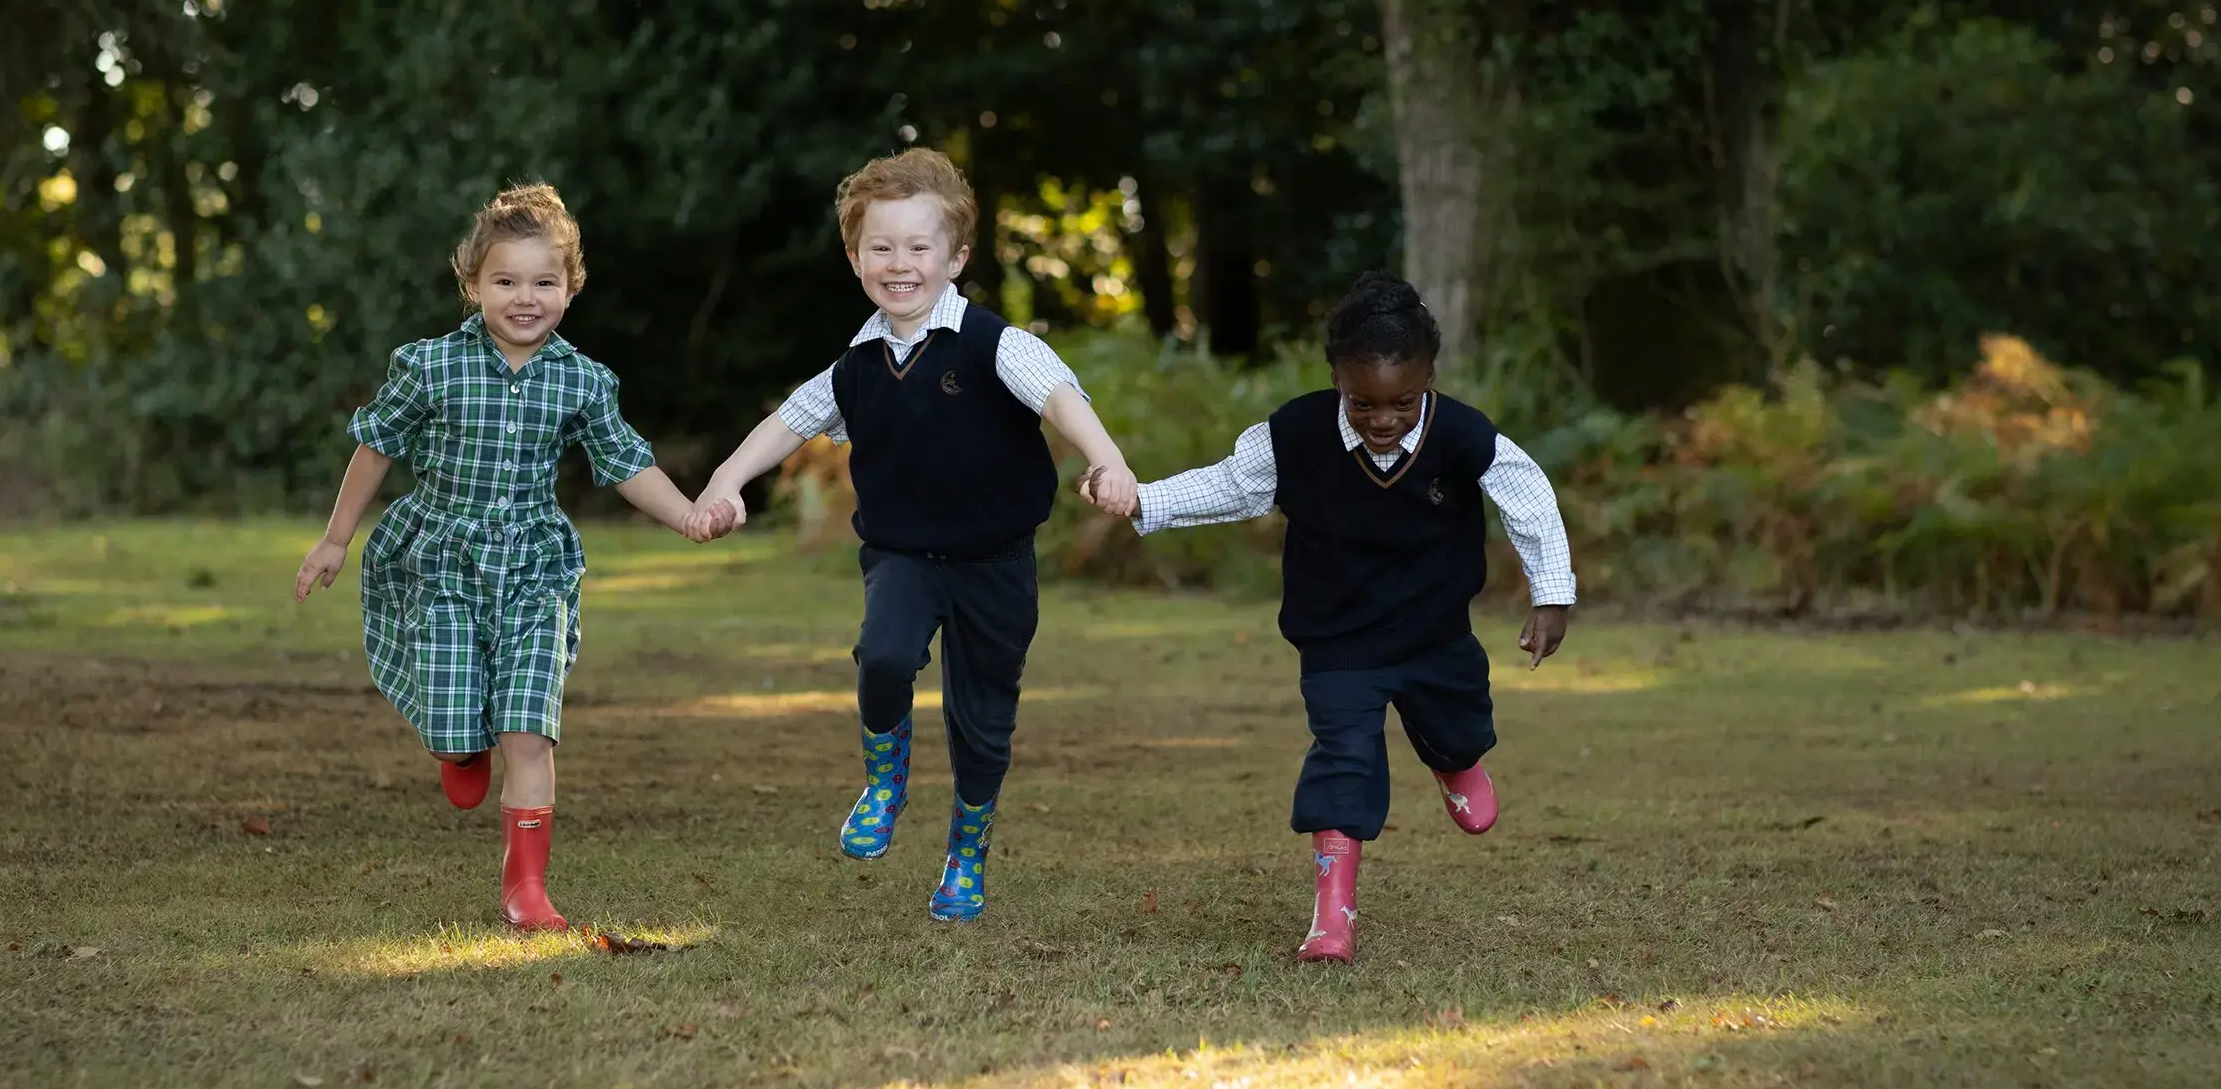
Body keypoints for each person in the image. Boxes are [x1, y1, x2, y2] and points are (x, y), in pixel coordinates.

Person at [685, 148, 1136, 922]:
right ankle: (886, 777)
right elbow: (786, 422)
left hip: (995, 561)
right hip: (902, 553)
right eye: (880, 247)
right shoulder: (854, 365)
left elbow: (1061, 399)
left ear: (955, 257)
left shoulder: (996, 344)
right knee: (885, 656)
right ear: (855, 256)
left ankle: (967, 848)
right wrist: (726, 480)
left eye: (918, 247)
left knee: (982, 720)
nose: (900, 264)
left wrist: (1108, 460)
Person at [1109, 272, 1575, 963]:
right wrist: (1144, 501)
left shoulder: (1463, 434)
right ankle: (1333, 915)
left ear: (1430, 378)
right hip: (1338, 638)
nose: (1384, 419)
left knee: (1457, 722)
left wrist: (1552, 593)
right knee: (1344, 758)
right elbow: (1228, 486)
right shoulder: (1292, 434)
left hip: (1435, 631)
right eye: (1363, 402)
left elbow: (1528, 498)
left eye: (1403, 403)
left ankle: (1455, 759)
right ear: (1335, 378)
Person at [295, 184, 700, 932]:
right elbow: (377, 445)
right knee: (458, 723)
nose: (525, 297)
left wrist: (687, 514)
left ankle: (526, 886)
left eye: (544, 282)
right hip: (444, 553)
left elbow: (625, 462)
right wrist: (335, 537)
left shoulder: (582, 380)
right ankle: (457, 743)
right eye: (505, 281)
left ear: (570, 288)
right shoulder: (431, 367)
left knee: (529, 721)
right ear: (473, 284)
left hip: (534, 563)